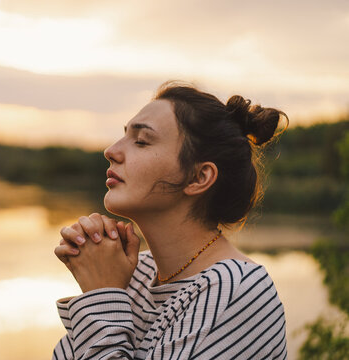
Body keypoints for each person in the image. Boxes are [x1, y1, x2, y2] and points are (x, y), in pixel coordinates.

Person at [52, 81, 289, 359]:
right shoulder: (135, 274)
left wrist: (102, 293)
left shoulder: (239, 291)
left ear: (198, 177)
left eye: (141, 141)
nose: (111, 150)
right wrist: (107, 284)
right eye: (124, 136)